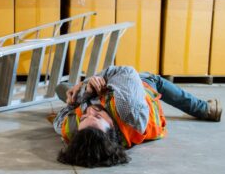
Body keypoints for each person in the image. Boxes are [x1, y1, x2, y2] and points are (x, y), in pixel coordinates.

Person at [52, 66, 222, 168]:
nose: (90, 111)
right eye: (98, 116)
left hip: (98, 94)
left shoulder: (75, 130)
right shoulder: (128, 108)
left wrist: (83, 91)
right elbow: (125, 71)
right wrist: (90, 81)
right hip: (140, 91)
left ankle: (76, 89)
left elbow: (60, 118)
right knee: (155, 80)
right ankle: (205, 109)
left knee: (63, 88)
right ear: (112, 130)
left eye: (83, 118)